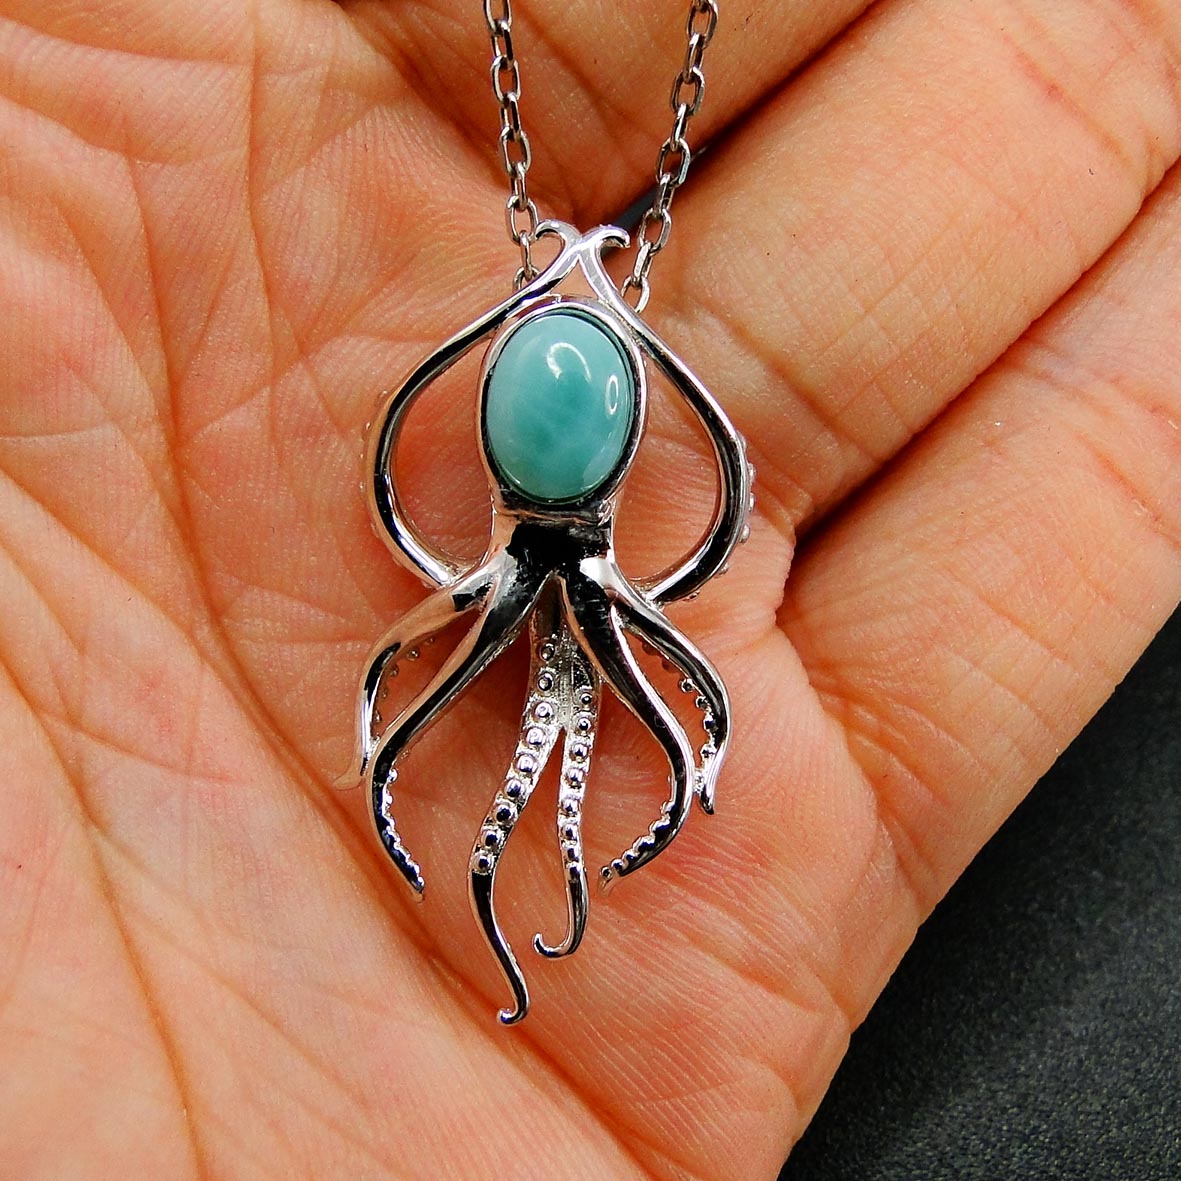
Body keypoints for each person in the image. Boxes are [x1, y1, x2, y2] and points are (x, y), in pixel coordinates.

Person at [0, 2, 1177, 1177]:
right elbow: (567, 482)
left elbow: (477, 467)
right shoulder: (578, 350)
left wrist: (571, 310)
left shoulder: (584, 354)